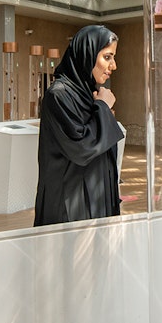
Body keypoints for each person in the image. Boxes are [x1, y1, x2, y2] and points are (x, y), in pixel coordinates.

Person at [34, 25, 124, 226]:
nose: (114, 66)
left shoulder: (87, 95)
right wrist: (102, 107)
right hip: (70, 209)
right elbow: (82, 148)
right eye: (107, 57)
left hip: (94, 202)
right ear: (87, 54)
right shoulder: (58, 95)